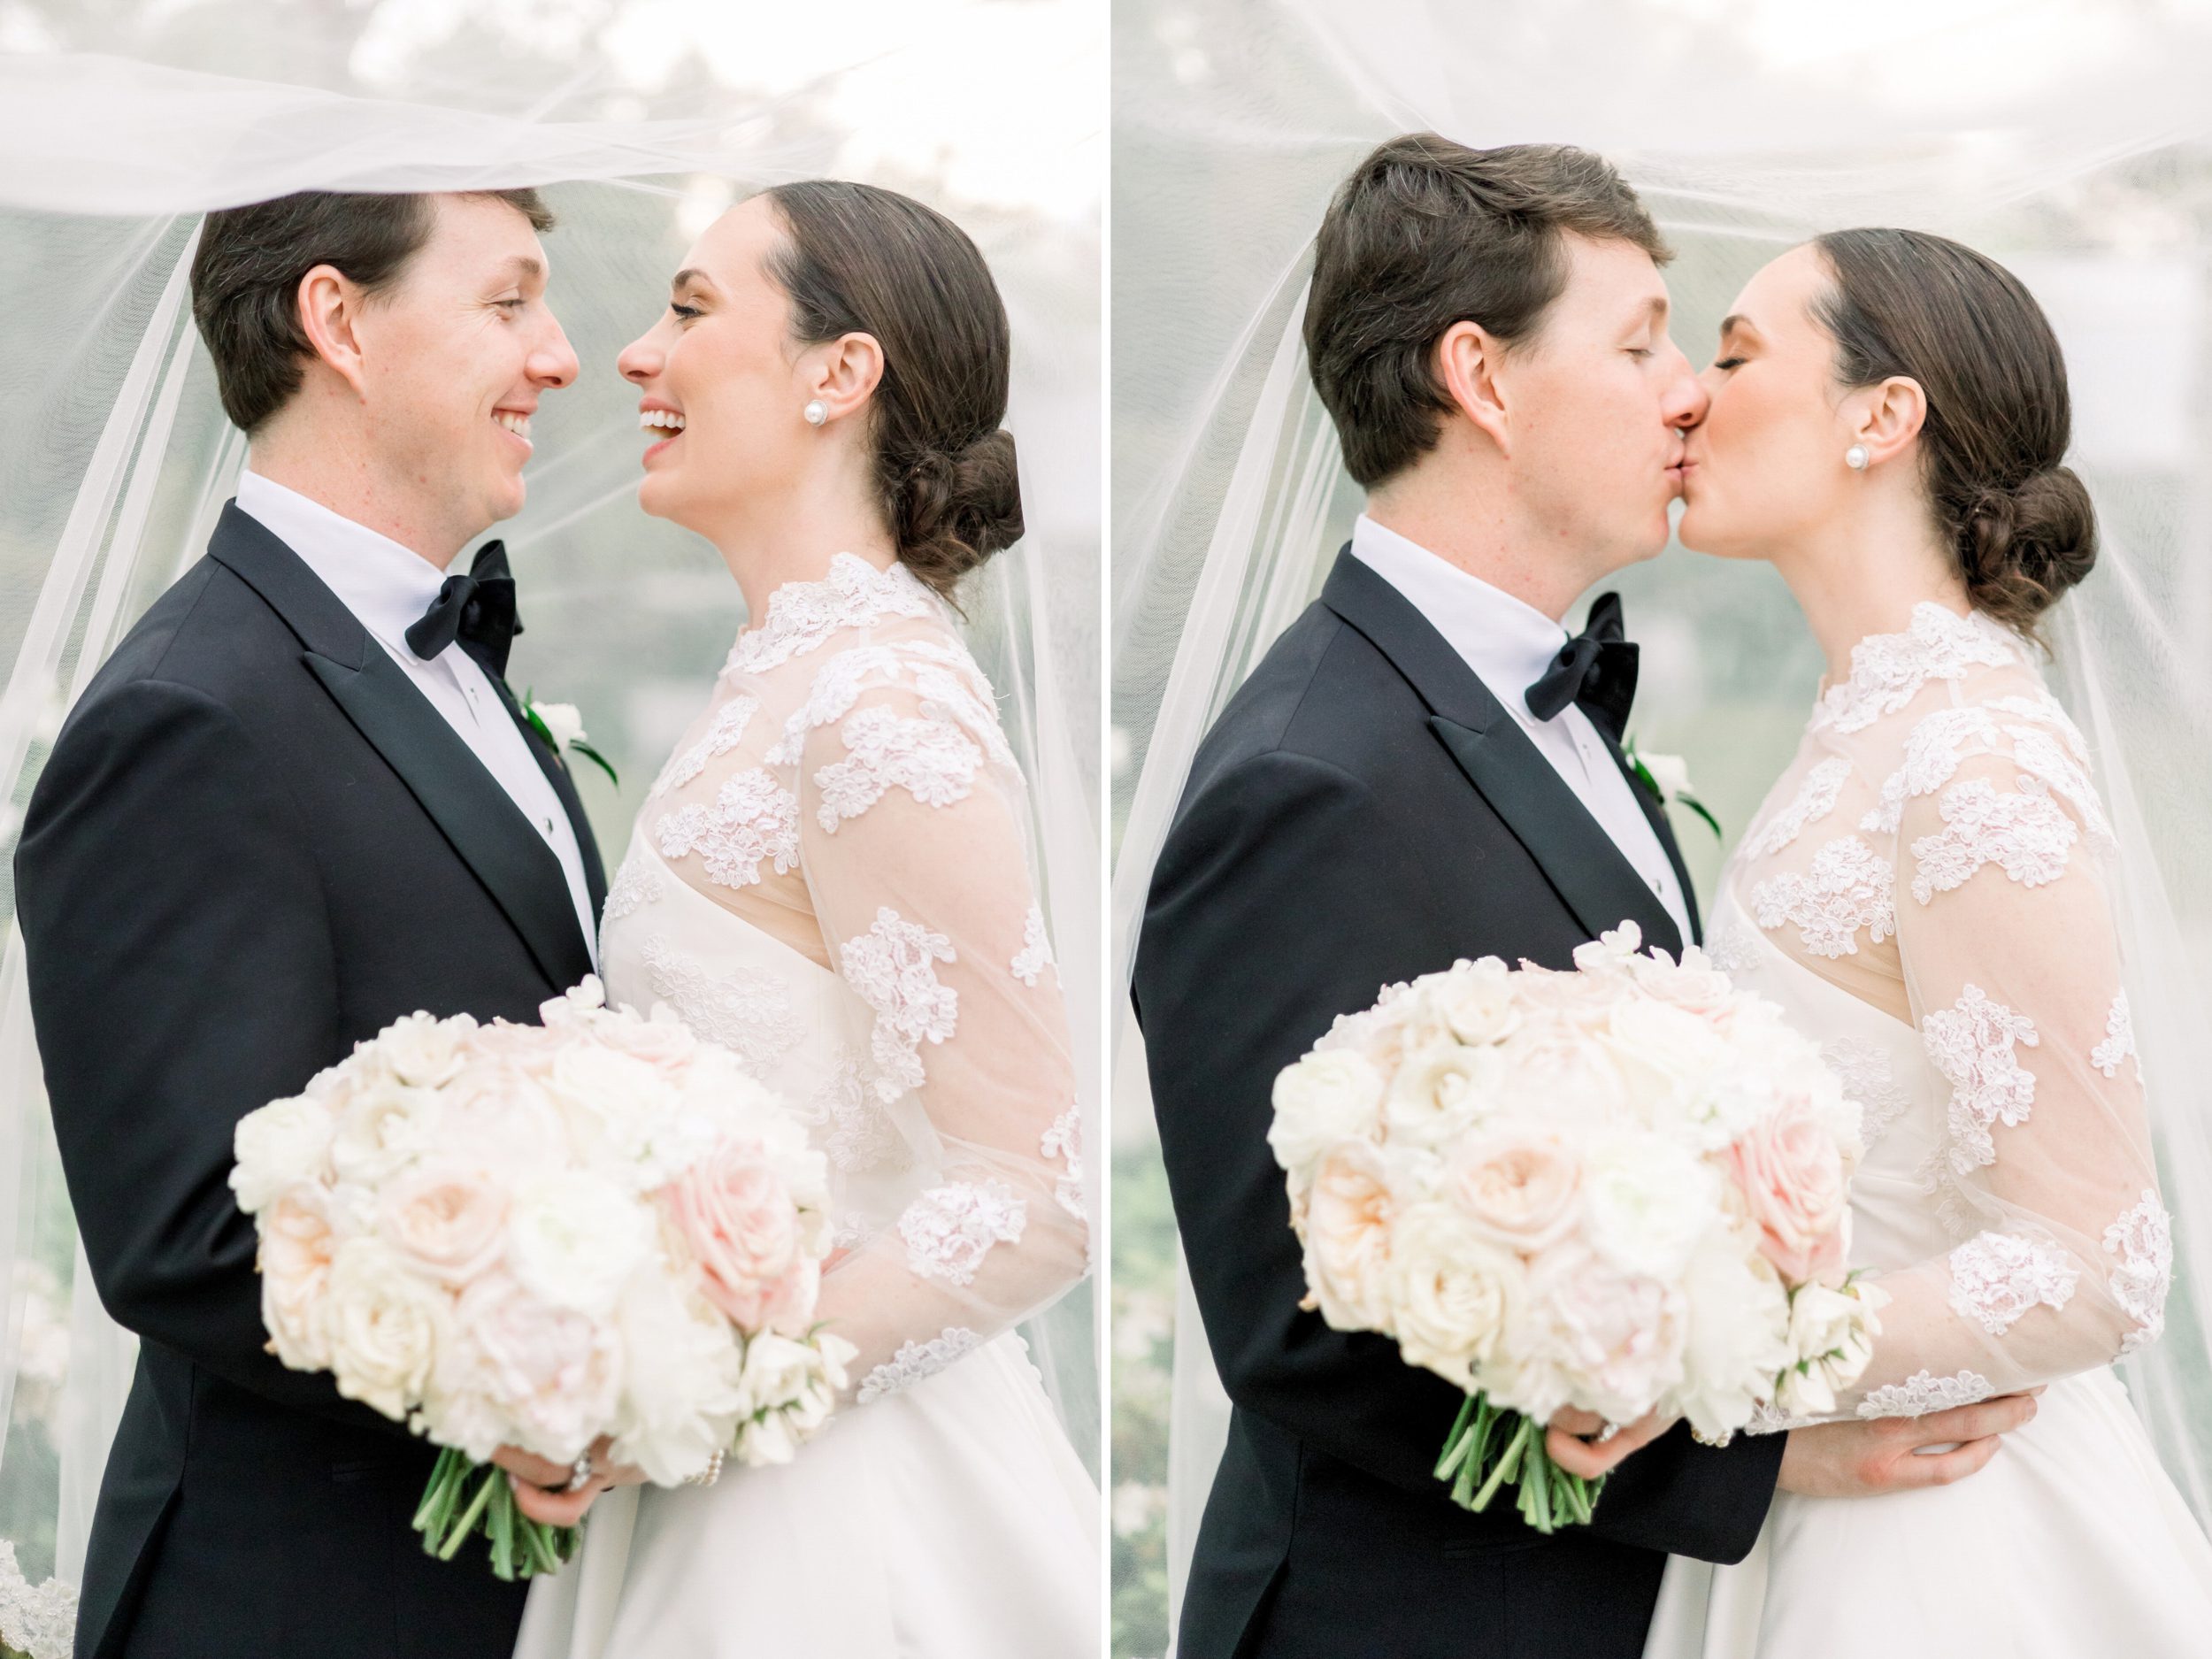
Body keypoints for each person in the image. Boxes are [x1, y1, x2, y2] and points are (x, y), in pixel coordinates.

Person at [1131, 135, 2038, 1659]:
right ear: (1482, 379)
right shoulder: (1312, 775)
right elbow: (1289, 1325)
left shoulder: (1530, 700)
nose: (1689, 391)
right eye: (1638, 345)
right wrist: (1756, 1456)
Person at [510, 180, 1098, 1659]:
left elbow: (1041, 1191)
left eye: (694, 310)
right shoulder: (784, 674)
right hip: (705, 1477)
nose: (636, 354)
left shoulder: (881, 704)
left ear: (841, 374)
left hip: (831, 1516)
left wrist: (705, 1386)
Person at [15, 187, 605, 1658]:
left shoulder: (456, 662)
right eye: (508, 300)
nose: (562, 355)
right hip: (295, 1603)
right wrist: (545, 1367)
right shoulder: (186, 710)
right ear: (337, 320)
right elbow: (188, 1232)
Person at [1644, 227, 2212, 1658]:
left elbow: (2097, 1258)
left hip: (1955, 1554)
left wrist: (1707, 1359)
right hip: (1833, 1500)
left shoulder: (1973, 760)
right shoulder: (1868, 723)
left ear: (1880, 418)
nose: (1691, 395)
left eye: (1734, 352)